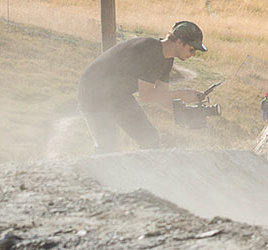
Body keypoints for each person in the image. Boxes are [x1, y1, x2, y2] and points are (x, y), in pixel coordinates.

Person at [77, 20, 207, 153]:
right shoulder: (150, 50)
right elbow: (147, 96)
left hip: (118, 94)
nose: (193, 54)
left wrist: (186, 113)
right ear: (179, 41)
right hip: (93, 91)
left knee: (150, 138)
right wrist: (182, 94)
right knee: (108, 145)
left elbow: (162, 97)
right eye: (192, 49)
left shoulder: (167, 59)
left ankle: (143, 173)